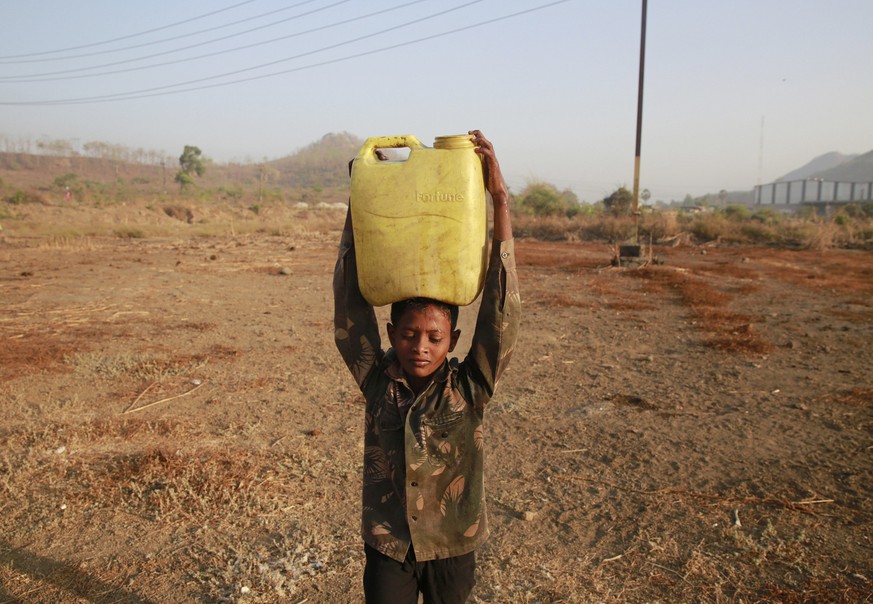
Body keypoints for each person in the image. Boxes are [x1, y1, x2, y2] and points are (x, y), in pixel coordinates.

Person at [333, 130, 521, 603]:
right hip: (388, 542)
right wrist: (360, 207)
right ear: (391, 332)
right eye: (408, 334)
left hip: (452, 544)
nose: (420, 346)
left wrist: (500, 201)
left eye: (435, 338)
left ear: (452, 340)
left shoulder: (471, 386)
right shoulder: (377, 382)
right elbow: (349, 311)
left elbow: (501, 317)